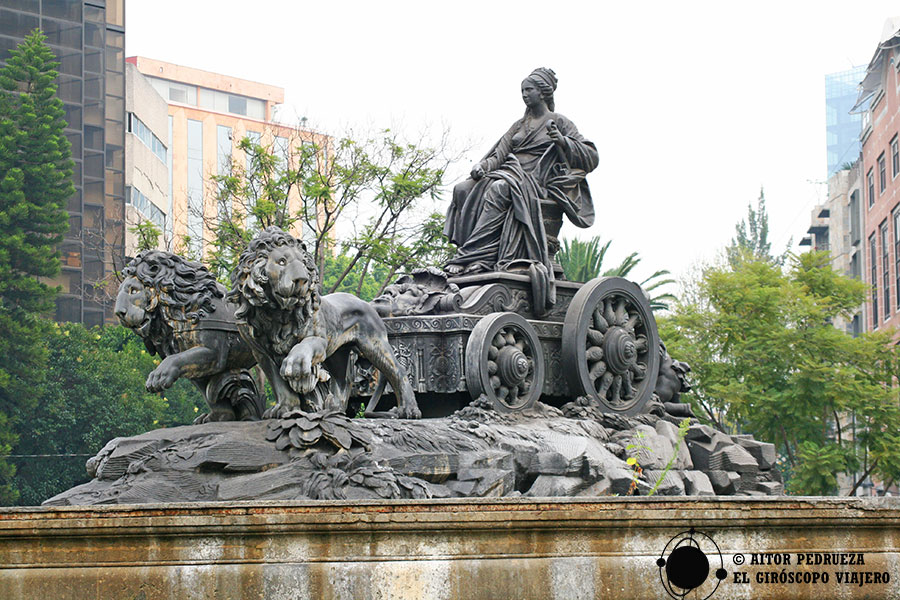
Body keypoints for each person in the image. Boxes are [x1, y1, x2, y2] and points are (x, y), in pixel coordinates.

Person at [444, 67, 598, 280]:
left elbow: (591, 155)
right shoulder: (518, 125)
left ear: (542, 92)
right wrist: (483, 166)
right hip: (509, 171)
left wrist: (562, 141)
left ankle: (475, 255)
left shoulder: (560, 122)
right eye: (522, 91)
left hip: (537, 181)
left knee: (500, 188)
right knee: (461, 189)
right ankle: (470, 253)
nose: (524, 94)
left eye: (529, 90)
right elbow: (499, 154)